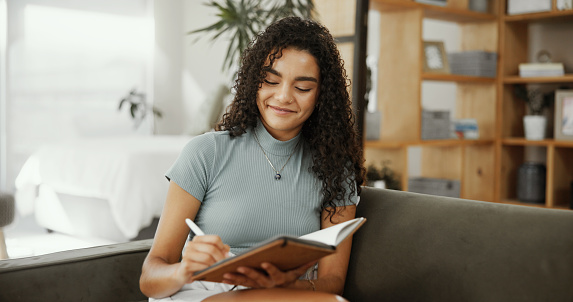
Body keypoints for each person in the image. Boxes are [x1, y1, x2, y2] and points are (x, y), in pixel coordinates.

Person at [139, 16, 365, 302]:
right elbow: (150, 278)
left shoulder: (335, 169)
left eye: (303, 88)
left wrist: (285, 284)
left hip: (281, 296)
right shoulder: (205, 153)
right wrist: (184, 270)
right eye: (271, 80)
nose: (283, 97)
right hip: (202, 290)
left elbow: (333, 283)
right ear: (253, 82)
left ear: (322, 96)